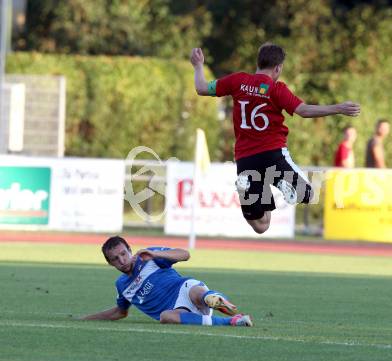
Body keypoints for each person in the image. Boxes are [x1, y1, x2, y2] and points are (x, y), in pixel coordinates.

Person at [190, 43, 361, 234]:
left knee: (261, 225)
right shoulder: (275, 89)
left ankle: (244, 189)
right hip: (272, 155)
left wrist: (198, 66)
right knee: (307, 193)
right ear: (278, 68)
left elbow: (202, 88)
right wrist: (337, 108)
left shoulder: (237, 81)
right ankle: (285, 184)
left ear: (258, 62)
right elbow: (304, 110)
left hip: (246, 160)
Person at [81, 236, 252, 327]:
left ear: (130, 250)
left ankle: (215, 300)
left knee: (198, 293)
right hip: (178, 310)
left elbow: (185, 254)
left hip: (184, 289)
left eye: (124, 254)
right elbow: (120, 312)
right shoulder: (122, 285)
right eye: (115, 259)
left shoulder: (147, 256)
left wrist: (156, 254)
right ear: (110, 263)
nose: (122, 260)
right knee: (166, 317)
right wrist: (87, 318)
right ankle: (233, 321)